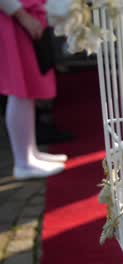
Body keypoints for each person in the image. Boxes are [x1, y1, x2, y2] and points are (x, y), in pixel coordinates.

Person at [0, 0, 67, 180]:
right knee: (20, 92)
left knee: (26, 92)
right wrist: (23, 17)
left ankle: (30, 154)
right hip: (14, 19)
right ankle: (23, 162)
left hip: (20, 17)